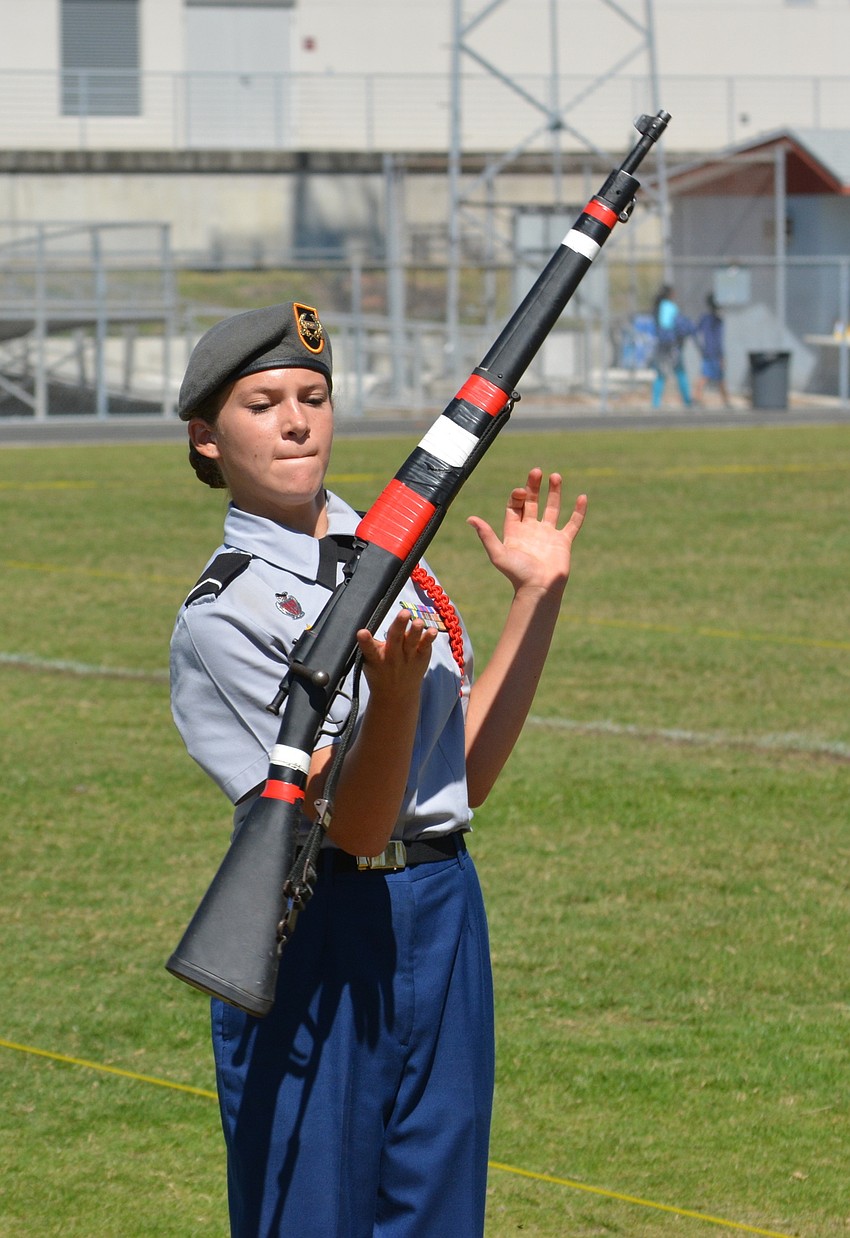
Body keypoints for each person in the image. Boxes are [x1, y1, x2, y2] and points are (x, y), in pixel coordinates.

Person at [169, 300, 587, 1238]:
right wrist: (390, 703)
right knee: (313, 1214)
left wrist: (536, 600)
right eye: (262, 402)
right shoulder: (222, 615)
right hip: (321, 920)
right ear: (206, 439)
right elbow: (350, 831)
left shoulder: (388, 552)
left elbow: (462, 779)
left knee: (440, 1211)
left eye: (312, 397)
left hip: (440, 907)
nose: (295, 421)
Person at [650, 283, 693, 410]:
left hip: (660, 345)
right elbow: (672, 325)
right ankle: (687, 401)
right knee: (680, 371)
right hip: (671, 346)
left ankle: (655, 403)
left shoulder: (657, 307)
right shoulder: (669, 306)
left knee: (660, 374)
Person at [693, 293, 730, 406]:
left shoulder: (705, 318)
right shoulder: (717, 320)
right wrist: (721, 356)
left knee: (713, 377)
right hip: (714, 353)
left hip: (707, 351)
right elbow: (718, 340)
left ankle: (724, 400)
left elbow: (696, 332)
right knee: (713, 377)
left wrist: (701, 347)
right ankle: (698, 399)